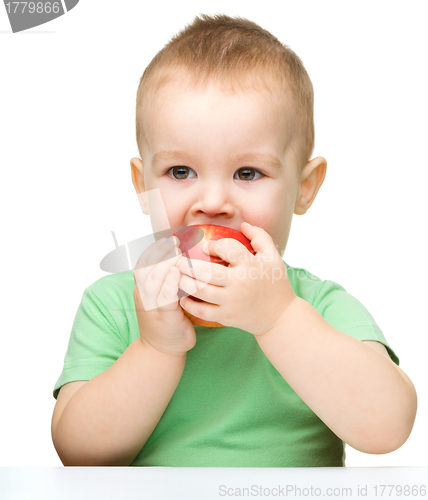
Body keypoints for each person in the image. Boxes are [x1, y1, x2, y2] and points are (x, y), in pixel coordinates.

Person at [51, 14, 417, 467]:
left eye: (248, 173)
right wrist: (154, 349)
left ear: (305, 187)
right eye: (180, 172)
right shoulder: (114, 305)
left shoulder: (318, 306)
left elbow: (387, 428)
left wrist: (278, 319)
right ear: (142, 185)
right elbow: (79, 455)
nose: (213, 202)